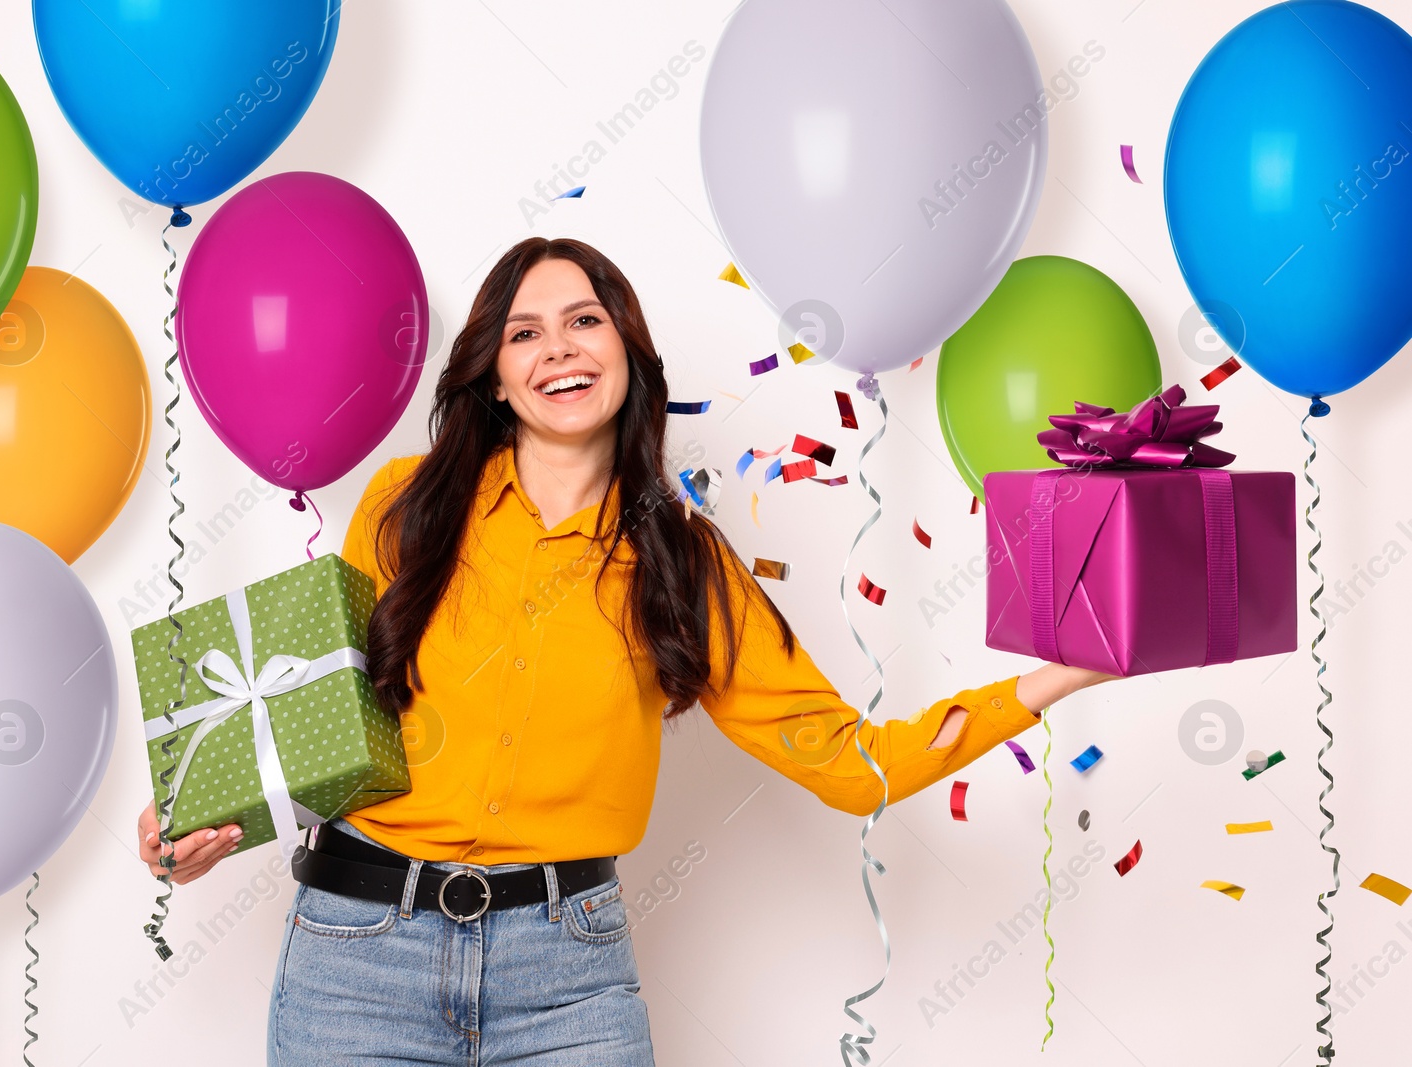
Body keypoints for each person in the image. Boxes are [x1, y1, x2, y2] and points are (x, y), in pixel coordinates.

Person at [136, 237, 1115, 1065]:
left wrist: (1063, 671)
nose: (557, 349)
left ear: (628, 348)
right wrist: (197, 814)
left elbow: (852, 765)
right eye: (525, 332)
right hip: (356, 952)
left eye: (584, 320)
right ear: (493, 372)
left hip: (567, 977)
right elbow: (312, 711)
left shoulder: (683, 563)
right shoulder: (405, 500)